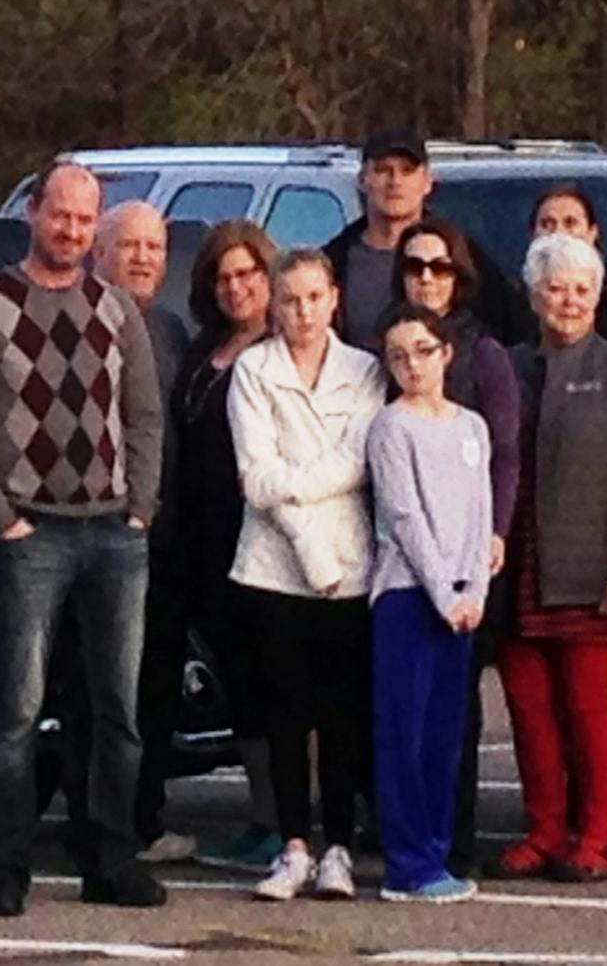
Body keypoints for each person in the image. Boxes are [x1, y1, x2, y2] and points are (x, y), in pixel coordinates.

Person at [0, 160, 165, 918]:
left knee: (117, 713)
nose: (71, 230)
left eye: (83, 219)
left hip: (112, 532)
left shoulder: (115, 310)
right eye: (59, 214)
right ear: (33, 212)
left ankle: (109, 857)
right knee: (16, 714)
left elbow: (142, 414)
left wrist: (140, 506)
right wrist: (0, 516)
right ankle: (3, 868)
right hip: (29, 535)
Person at [488, 233, 607, 885]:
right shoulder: (505, 366)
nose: (567, 300)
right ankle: (542, 831)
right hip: (516, 570)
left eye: (580, 289)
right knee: (529, 712)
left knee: (589, 710)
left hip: (594, 572)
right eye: (555, 288)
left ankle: (595, 838)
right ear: (533, 295)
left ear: (598, 296)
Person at [227, 247, 385, 903]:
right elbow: (257, 479)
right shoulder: (252, 370)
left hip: (349, 570)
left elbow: (358, 463)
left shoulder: (366, 370)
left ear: (334, 298)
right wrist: (309, 549)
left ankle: (339, 849)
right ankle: (294, 847)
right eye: (290, 299)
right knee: (285, 713)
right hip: (272, 569)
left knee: (342, 714)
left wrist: (319, 535)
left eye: (314, 298)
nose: (302, 311)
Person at [391, 217, 521, 874]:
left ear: (459, 277)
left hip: (469, 558)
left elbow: (505, 457)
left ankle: (455, 842)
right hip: (396, 564)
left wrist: (494, 536)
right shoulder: (385, 349)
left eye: (439, 267)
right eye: (415, 267)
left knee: (455, 710)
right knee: (399, 711)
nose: (426, 278)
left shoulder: (485, 356)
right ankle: (403, 838)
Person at [66, 201, 193, 865]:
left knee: (154, 689)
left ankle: (143, 819)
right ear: (98, 252)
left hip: (160, 543)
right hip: (88, 537)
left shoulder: (171, 331)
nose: (143, 258)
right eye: (128, 245)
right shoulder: (73, 323)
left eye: (154, 246)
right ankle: (92, 825)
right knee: (94, 691)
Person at [367, 304, 492, 904]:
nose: (412, 364)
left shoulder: (472, 427)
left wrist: (473, 592)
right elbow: (404, 516)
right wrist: (443, 592)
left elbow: (480, 514)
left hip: (461, 602)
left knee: (445, 734)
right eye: (398, 355)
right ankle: (408, 862)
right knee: (405, 733)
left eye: (422, 349)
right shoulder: (391, 427)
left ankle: (437, 852)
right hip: (408, 596)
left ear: (446, 352)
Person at [167, 222, 282, 871]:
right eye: (224, 276)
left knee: (270, 687)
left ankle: (278, 820)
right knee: (238, 684)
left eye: (247, 274)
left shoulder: (282, 352)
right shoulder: (203, 349)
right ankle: (258, 815)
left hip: (262, 544)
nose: (236, 287)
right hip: (202, 543)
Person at [325, 129, 519, 347]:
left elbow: (505, 337)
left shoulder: (467, 260)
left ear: (427, 182)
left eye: (407, 170)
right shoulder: (333, 264)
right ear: (362, 180)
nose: (395, 181)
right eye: (383, 170)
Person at [528, 185, 607, 352]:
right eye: (547, 224)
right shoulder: (513, 294)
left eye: (570, 223)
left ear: (592, 232)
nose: (559, 232)